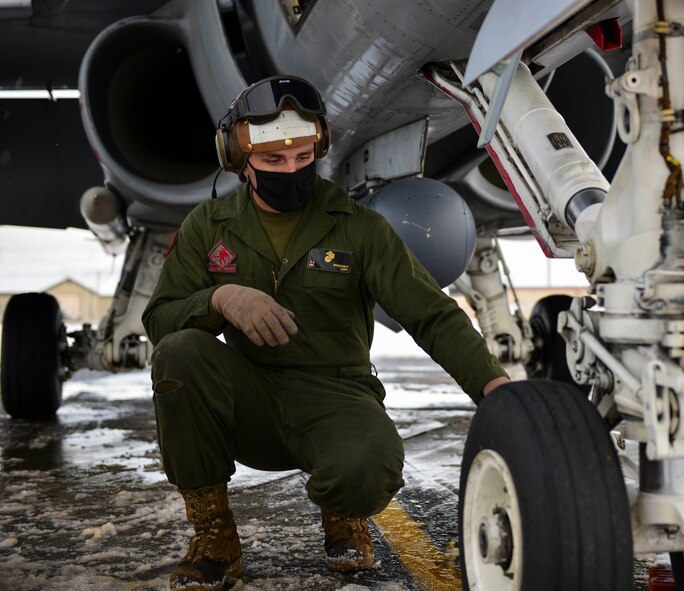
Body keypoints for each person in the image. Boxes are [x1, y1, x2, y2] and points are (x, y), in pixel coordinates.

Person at [141, 75, 510, 591]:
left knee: (369, 468)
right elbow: (159, 320)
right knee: (180, 353)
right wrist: (219, 299)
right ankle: (214, 539)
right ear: (239, 158)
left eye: (303, 158)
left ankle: (344, 514)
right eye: (273, 161)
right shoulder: (210, 225)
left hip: (337, 394)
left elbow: (430, 313)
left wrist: (492, 385)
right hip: (250, 396)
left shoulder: (358, 227)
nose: (291, 171)